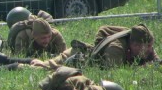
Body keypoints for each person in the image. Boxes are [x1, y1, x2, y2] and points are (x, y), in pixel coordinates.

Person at [31, 23, 160, 70]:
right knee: (45, 67)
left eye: (150, 46)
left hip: (84, 55)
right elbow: (116, 73)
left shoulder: (145, 48)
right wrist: (142, 68)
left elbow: (157, 62)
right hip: (77, 56)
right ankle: (17, 65)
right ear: (136, 45)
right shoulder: (116, 49)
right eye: (148, 46)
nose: (150, 49)